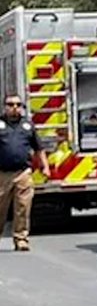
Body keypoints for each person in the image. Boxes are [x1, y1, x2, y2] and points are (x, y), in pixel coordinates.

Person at [0, 94, 45, 252]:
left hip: (23, 172)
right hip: (2, 175)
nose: (14, 107)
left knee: (23, 208)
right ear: (4, 106)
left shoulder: (28, 126)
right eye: (10, 104)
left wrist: (44, 166)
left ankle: (21, 239)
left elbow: (39, 148)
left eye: (18, 105)